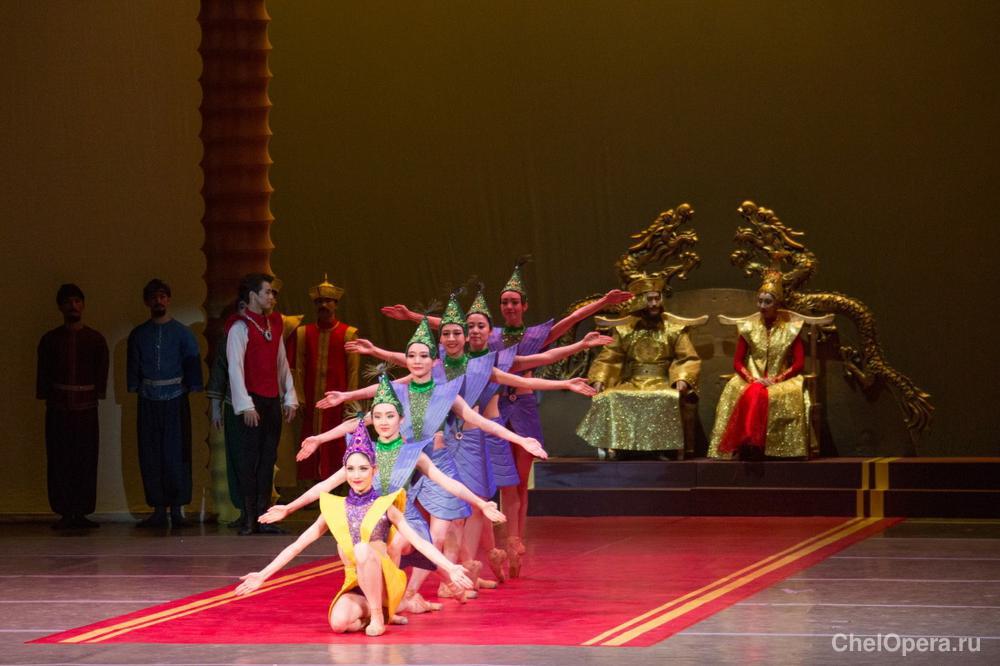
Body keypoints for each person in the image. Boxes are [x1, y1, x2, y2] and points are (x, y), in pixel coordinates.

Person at [380, 261, 630, 574]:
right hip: (472, 428)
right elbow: (440, 333)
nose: (509, 307)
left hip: (514, 412)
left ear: (524, 305)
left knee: (512, 485)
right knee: (478, 494)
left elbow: (551, 346)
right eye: (504, 302)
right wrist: (406, 322)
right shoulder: (473, 348)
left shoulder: (511, 348)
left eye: (514, 301)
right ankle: (481, 555)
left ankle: (510, 540)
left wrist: (596, 315)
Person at [235, 419, 473, 637]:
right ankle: (378, 612)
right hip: (357, 585)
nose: (356, 475)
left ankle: (379, 616)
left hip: (385, 582)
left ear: (374, 471)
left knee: (361, 548)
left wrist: (450, 567)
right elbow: (297, 546)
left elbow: (419, 542)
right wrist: (262, 575)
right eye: (350, 469)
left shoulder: (386, 506)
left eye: (363, 469)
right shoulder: (335, 508)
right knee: (339, 624)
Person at [576, 275, 702, 459]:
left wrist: (682, 378)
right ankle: (617, 446)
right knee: (610, 396)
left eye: (657, 298)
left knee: (668, 397)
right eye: (649, 299)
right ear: (639, 301)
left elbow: (687, 358)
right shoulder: (624, 329)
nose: (654, 304)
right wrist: (600, 378)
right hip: (633, 381)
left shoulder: (674, 329)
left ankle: (664, 447)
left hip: (662, 381)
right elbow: (609, 358)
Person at [708, 271, 810, 459]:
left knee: (768, 394)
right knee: (748, 390)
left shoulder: (790, 329)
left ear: (777, 304)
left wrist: (777, 379)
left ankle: (761, 446)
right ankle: (747, 445)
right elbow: (737, 362)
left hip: (781, 379)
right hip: (751, 377)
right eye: (760, 301)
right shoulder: (749, 327)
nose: (762, 306)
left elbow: (799, 363)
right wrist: (752, 378)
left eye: (767, 302)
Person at [127, 279, 203, 528]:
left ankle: (178, 510)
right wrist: (135, 386)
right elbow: (133, 368)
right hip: (148, 400)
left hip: (175, 401)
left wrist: (190, 386)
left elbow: (192, 364)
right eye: (153, 297)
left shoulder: (183, 333)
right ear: (147, 302)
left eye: (162, 296)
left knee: (176, 455)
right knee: (151, 455)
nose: (158, 301)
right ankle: (158, 510)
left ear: (168, 300)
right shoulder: (138, 335)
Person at [226, 273, 298, 535]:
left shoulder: (274, 323)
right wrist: (245, 405)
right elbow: (235, 368)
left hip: (270, 400)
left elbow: (281, 361)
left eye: (273, 293)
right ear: (252, 296)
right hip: (251, 401)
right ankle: (248, 517)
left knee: (268, 459)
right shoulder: (239, 327)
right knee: (249, 460)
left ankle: (264, 517)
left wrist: (289, 395)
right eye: (267, 292)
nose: (272, 297)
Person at [36, 284, 109, 529]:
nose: (73, 306)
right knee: (60, 461)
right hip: (58, 410)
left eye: (77, 301)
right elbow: (43, 374)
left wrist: (97, 394)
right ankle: (65, 511)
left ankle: (82, 511)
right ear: (60, 307)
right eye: (68, 302)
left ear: (83, 305)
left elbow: (101, 371)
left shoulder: (95, 339)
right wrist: (47, 396)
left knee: (86, 461)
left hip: (86, 410)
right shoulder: (50, 340)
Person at [287, 275, 360, 481]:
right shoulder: (303, 333)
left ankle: (337, 483)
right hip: (311, 398)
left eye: (328, 301)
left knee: (336, 441)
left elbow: (353, 371)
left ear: (335, 304)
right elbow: (297, 367)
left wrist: (350, 401)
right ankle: (311, 484)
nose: (324, 305)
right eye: (319, 301)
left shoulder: (348, 333)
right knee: (309, 439)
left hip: (338, 400)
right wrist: (299, 396)